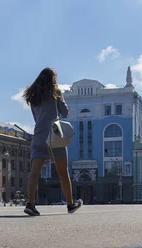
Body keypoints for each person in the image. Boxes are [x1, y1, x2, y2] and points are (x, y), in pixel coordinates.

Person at [22, 67, 83, 216]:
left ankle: (30, 204)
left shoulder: (32, 95)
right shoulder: (55, 93)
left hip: (38, 135)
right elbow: (65, 112)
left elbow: (37, 117)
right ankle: (70, 204)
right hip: (54, 135)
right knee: (63, 172)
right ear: (53, 79)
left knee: (34, 172)